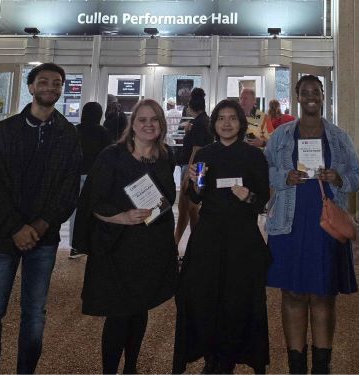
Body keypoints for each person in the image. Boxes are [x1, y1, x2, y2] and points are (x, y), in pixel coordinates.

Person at [0, 62, 82, 374]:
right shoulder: (5, 131)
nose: (51, 87)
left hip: (43, 238)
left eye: (57, 82)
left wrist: (39, 225)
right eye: (44, 81)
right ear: (31, 87)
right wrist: (15, 228)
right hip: (0, 236)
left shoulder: (67, 134)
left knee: (35, 313)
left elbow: (68, 188)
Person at [72, 99, 178, 374]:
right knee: (119, 314)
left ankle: (131, 368)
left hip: (150, 245)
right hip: (117, 245)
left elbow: (169, 198)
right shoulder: (112, 156)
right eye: (142, 119)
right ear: (132, 125)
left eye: (154, 119)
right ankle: (110, 370)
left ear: (162, 125)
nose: (148, 124)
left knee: (140, 310)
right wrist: (122, 216)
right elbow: (93, 200)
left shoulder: (166, 156)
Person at [265, 75, 359, 374]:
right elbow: (263, 170)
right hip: (289, 224)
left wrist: (339, 178)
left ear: (323, 96)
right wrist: (284, 177)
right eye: (305, 92)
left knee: (323, 294)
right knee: (292, 294)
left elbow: (357, 175)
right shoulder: (281, 135)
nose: (310, 97)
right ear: (296, 96)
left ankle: (322, 365)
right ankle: (296, 365)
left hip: (325, 226)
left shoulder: (339, 137)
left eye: (316, 92)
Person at [173, 99, 271, 374]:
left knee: (238, 298)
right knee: (205, 296)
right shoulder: (205, 154)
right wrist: (193, 183)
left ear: (240, 123)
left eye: (232, 118)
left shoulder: (253, 156)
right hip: (209, 235)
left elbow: (262, 199)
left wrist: (249, 195)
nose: (226, 123)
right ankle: (211, 356)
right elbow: (196, 196)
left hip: (242, 237)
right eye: (221, 119)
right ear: (214, 124)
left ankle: (233, 356)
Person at [68, 101, 111, 259]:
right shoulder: (102, 132)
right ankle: (93, 242)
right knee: (96, 210)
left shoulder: (75, 130)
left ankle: (75, 245)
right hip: (95, 177)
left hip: (76, 175)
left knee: (76, 211)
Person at [174, 88, 213, 247]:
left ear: (190, 106)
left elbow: (196, 150)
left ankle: (186, 244)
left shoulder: (198, 123)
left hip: (196, 168)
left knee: (188, 208)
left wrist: (187, 176)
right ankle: (187, 243)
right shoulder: (204, 121)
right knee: (189, 208)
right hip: (200, 168)